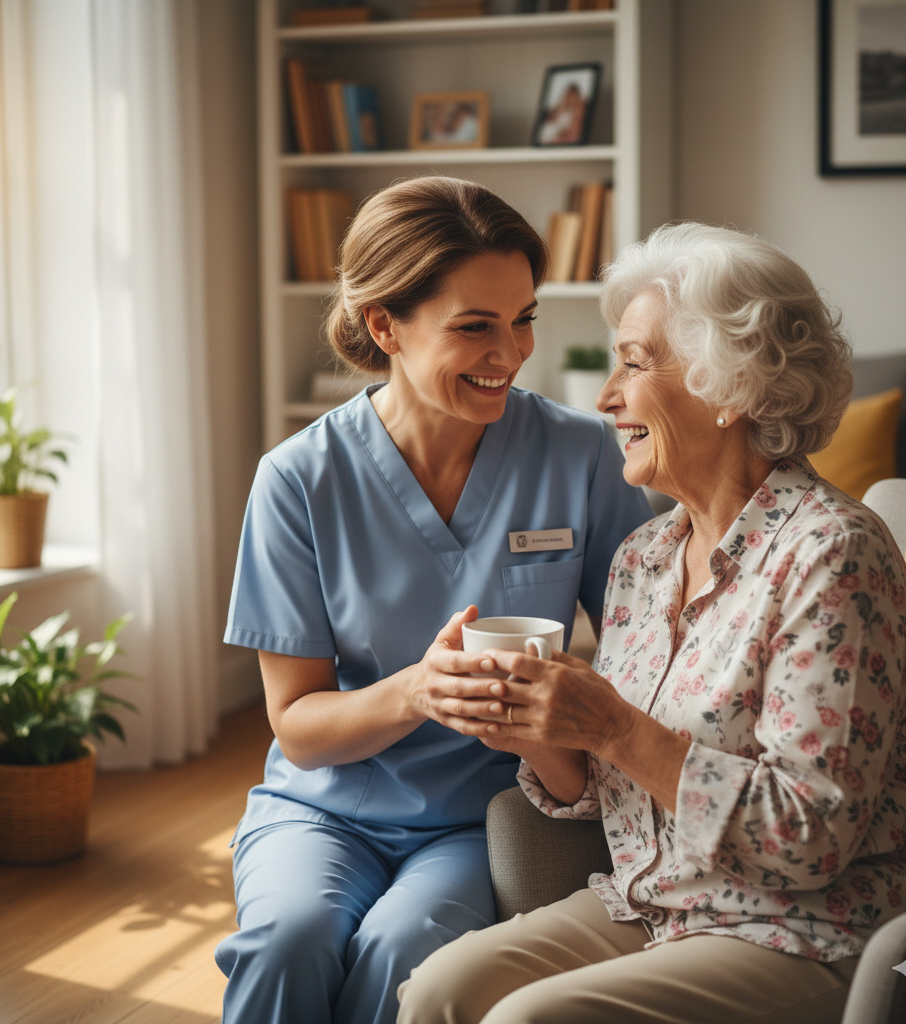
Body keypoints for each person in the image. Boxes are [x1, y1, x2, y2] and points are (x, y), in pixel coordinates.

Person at [397, 221, 906, 1024]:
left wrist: (615, 727)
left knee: (528, 1020)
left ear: (731, 387)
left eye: (633, 361)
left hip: (811, 927)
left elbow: (810, 836)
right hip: (655, 908)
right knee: (440, 990)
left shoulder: (832, 555)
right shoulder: (644, 558)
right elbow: (610, 794)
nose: (604, 395)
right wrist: (534, 730)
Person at [213, 176, 653, 1024]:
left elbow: (646, 657)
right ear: (385, 325)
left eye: (523, 317)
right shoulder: (298, 480)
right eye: (475, 327)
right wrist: (420, 689)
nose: (512, 352)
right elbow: (298, 728)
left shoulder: (582, 456)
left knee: (403, 949)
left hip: (478, 814)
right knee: (287, 939)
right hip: (321, 811)